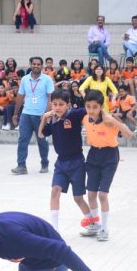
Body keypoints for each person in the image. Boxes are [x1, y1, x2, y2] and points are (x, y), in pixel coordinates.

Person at [38, 89, 94, 232]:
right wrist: (44, 118)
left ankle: (93, 223)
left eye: (61, 104)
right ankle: (54, 229)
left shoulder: (74, 115)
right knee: (55, 190)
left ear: (68, 104)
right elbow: (40, 135)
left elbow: (89, 108)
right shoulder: (53, 120)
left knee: (78, 198)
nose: (57, 107)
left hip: (77, 162)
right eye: (55, 104)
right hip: (61, 163)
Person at [83, 90, 134, 241]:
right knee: (91, 194)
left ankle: (104, 229)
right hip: (93, 155)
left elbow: (129, 134)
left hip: (110, 156)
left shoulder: (109, 119)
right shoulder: (86, 118)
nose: (91, 110)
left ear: (101, 107)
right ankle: (94, 224)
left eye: (95, 107)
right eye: (88, 106)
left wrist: (113, 121)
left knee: (102, 195)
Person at [11, 57, 55, 175]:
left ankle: (44, 163)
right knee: (22, 140)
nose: (36, 66)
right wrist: (15, 113)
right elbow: (20, 96)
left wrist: (46, 115)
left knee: (42, 140)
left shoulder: (47, 79)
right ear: (30, 64)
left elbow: (51, 98)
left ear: (42, 65)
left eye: (38, 64)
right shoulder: (25, 79)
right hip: (26, 114)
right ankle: (21, 165)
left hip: (40, 115)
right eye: (34, 64)